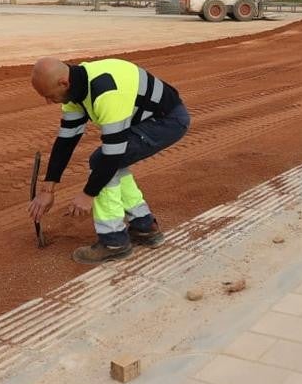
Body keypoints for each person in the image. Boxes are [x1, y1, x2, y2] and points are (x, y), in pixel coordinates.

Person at [28, 57, 190, 264]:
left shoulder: (106, 92)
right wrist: (47, 189)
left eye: (50, 96)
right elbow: (66, 141)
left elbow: (112, 154)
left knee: (102, 161)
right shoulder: (75, 90)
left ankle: (114, 241)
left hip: (168, 121)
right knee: (107, 162)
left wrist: (88, 194)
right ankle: (144, 227)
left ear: (63, 83)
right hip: (149, 119)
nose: (48, 101)